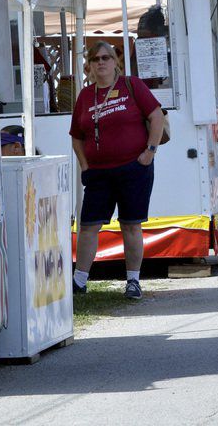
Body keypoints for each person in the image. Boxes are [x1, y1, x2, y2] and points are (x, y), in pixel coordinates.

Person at [70, 41, 165, 299]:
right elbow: (77, 136)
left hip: (133, 168)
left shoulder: (132, 86)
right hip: (98, 172)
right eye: (95, 59)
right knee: (88, 225)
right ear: (89, 64)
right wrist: (84, 165)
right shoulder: (85, 96)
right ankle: (79, 281)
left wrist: (150, 152)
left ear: (115, 62)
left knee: (131, 225)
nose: (101, 62)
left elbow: (157, 117)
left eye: (106, 58)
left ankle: (133, 281)